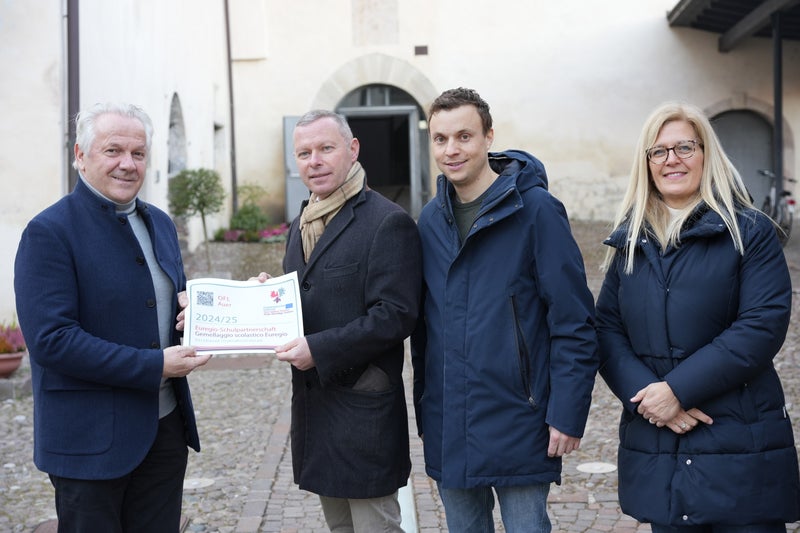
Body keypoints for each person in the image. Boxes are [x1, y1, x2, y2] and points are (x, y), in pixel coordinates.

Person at [595, 101, 800, 532]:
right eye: (659, 151)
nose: (671, 159)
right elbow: (607, 329)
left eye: (684, 147)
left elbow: (761, 326)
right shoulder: (631, 241)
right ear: (647, 164)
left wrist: (678, 390)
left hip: (740, 446)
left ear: (707, 154)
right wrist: (650, 400)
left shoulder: (750, 232)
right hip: (660, 443)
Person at [14, 102, 211, 532]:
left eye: (138, 153)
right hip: (90, 443)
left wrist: (203, 314)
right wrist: (155, 365)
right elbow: (52, 340)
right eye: (113, 151)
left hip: (163, 430)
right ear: (81, 156)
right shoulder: (49, 232)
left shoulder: (160, 223)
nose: (128, 164)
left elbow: (163, 304)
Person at [410, 87, 599, 533]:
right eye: (440, 139)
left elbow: (574, 321)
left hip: (522, 419)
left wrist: (567, 412)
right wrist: (427, 409)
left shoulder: (536, 211)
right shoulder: (430, 221)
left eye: (464, 136)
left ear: (489, 136)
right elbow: (421, 327)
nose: (451, 150)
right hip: (450, 421)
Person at [269, 109, 422, 532]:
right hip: (317, 410)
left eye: (325, 148)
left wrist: (318, 350)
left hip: (363, 412)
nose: (314, 161)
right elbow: (309, 291)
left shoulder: (387, 221)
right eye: (304, 153)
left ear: (352, 149)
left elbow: (396, 315)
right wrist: (268, 297)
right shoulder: (302, 221)